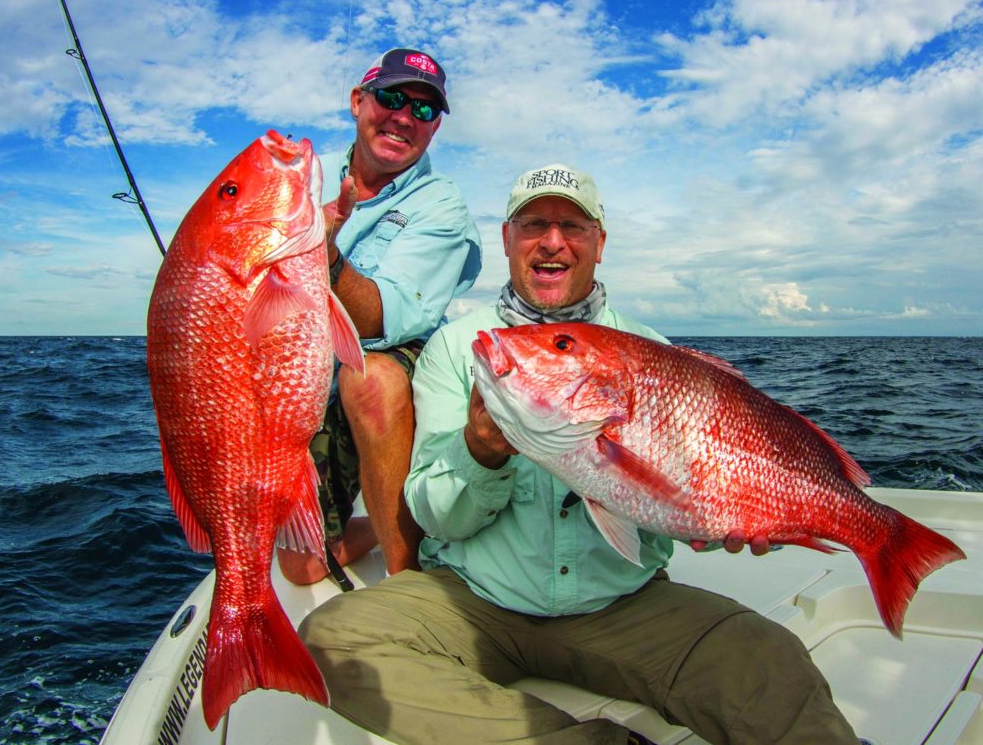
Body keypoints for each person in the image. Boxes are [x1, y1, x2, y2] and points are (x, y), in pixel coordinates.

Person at [298, 164, 860, 744]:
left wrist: (723, 517)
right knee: (331, 642)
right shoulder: (461, 348)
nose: (552, 241)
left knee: (770, 661)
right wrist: (480, 451)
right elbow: (435, 516)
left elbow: (686, 493)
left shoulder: (654, 352)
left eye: (573, 226)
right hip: (476, 600)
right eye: (534, 224)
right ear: (508, 239)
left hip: (623, 604)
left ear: (599, 243)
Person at [278, 48, 482, 584]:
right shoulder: (302, 182)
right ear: (357, 101)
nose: (403, 117)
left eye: (423, 110)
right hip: (308, 372)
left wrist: (321, 254)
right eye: (392, 97)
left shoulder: (442, 206)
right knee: (301, 567)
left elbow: (382, 320)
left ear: (435, 128)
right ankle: (384, 522)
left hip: (396, 364)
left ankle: (408, 582)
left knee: (370, 378)